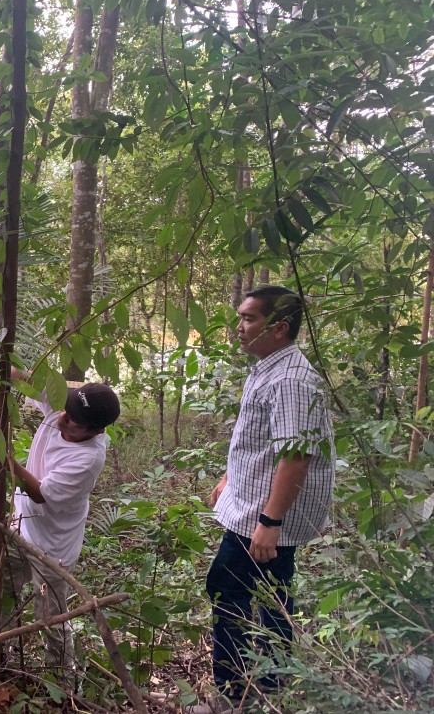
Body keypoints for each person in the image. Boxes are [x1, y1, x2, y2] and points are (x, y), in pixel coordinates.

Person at [191, 286, 334, 713]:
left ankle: (235, 694)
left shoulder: (291, 379)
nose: (239, 327)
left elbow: (295, 456)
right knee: (272, 593)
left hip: (267, 515)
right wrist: (231, 476)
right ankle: (270, 684)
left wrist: (270, 522)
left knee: (227, 588)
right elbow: (264, 440)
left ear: (279, 328)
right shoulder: (269, 367)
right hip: (255, 502)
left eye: (249, 319)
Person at [0, 370, 120, 675]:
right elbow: (11, 372)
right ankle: (4, 660)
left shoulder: (88, 458)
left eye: (74, 420)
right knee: (4, 594)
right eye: (66, 409)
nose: (62, 418)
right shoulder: (63, 409)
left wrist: (1, 456)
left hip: (53, 548)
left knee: (50, 616)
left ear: (94, 431)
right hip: (20, 525)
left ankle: (59, 677)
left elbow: (41, 493)